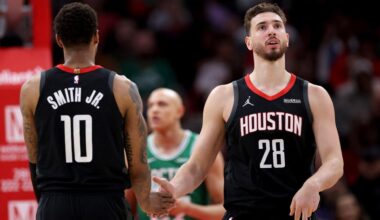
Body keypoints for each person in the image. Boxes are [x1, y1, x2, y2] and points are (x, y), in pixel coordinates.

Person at [153, 2, 344, 220]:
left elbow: (334, 162)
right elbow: (198, 165)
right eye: (262, 27)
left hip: (295, 212)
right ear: (249, 42)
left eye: (277, 26)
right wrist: (174, 189)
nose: (271, 30)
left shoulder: (314, 95)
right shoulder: (224, 96)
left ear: (287, 38)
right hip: (243, 213)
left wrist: (314, 184)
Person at [19, 3, 174, 220]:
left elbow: (33, 158)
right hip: (105, 202)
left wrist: (45, 205)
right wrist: (147, 201)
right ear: (97, 37)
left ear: (59, 40)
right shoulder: (122, 88)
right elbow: (138, 162)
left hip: (55, 202)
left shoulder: (32, 88)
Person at [125, 88, 225, 220]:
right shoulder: (135, 151)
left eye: (162, 104)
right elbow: (126, 209)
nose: (154, 110)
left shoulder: (202, 148)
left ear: (180, 111)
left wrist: (186, 208)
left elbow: (224, 210)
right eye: (150, 105)